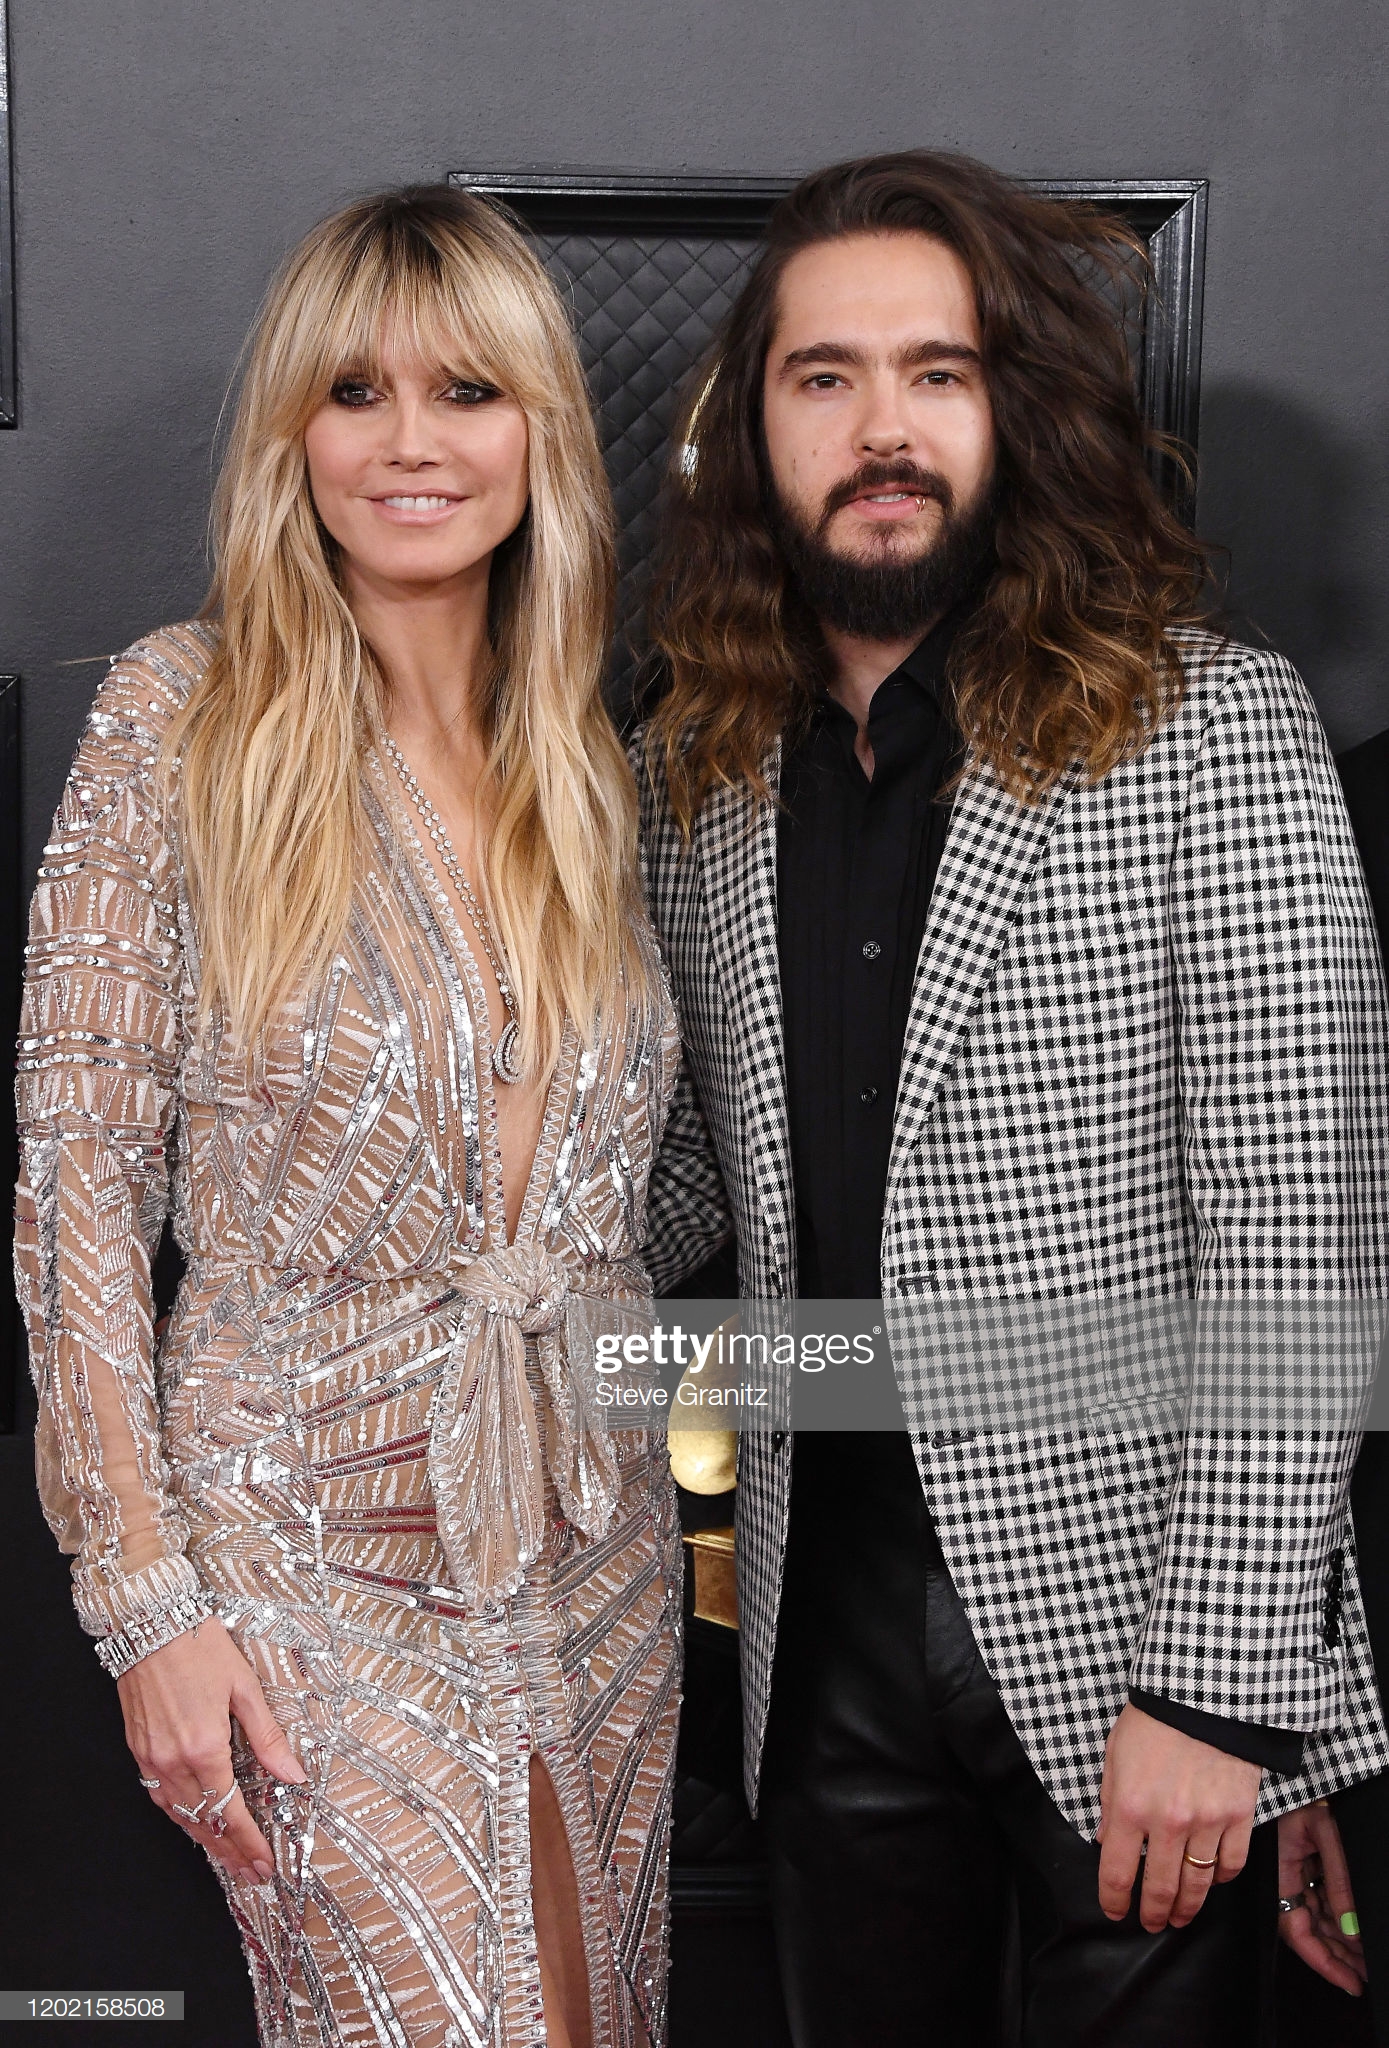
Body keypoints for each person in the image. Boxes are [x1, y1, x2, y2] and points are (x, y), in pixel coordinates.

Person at [634, 149, 1387, 2044]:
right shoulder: (685, 770)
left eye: (936, 373)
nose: (879, 428)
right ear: (757, 432)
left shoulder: (1212, 723)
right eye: (825, 379)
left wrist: (1224, 1693)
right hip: (816, 1634)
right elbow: (664, 1209)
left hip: (1134, 1641)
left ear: (1014, 415)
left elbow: (1299, 1241)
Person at [16, 186, 681, 2048]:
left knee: (593, 2016)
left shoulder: (592, 767)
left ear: (538, 429)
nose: (410, 442)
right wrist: (145, 1605)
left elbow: (640, 1196)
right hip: (303, 1555)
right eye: (354, 392)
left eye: (467, 391)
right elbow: (76, 1176)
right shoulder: (182, 716)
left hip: (594, 1544)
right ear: (289, 438)